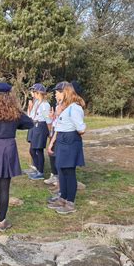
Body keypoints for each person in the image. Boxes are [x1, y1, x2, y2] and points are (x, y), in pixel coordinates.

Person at [0, 83, 34, 231]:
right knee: (5, 188)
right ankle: (2, 222)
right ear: (10, 96)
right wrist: (16, 125)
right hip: (9, 148)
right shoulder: (14, 111)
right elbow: (29, 123)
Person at [47, 82, 86, 214]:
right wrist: (53, 142)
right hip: (63, 141)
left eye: (59, 92)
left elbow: (81, 129)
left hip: (70, 141)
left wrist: (70, 132)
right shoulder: (66, 108)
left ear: (66, 93)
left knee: (69, 172)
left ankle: (70, 202)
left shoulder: (74, 108)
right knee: (62, 171)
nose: (56, 94)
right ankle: (62, 198)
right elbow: (59, 126)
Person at [25, 83, 52, 180]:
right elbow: (32, 115)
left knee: (38, 150)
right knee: (32, 150)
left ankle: (40, 172)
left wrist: (50, 133)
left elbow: (48, 120)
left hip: (41, 127)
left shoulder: (45, 105)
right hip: (34, 125)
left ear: (39, 93)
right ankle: (37, 169)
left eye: (34, 91)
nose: (33, 93)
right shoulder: (37, 103)